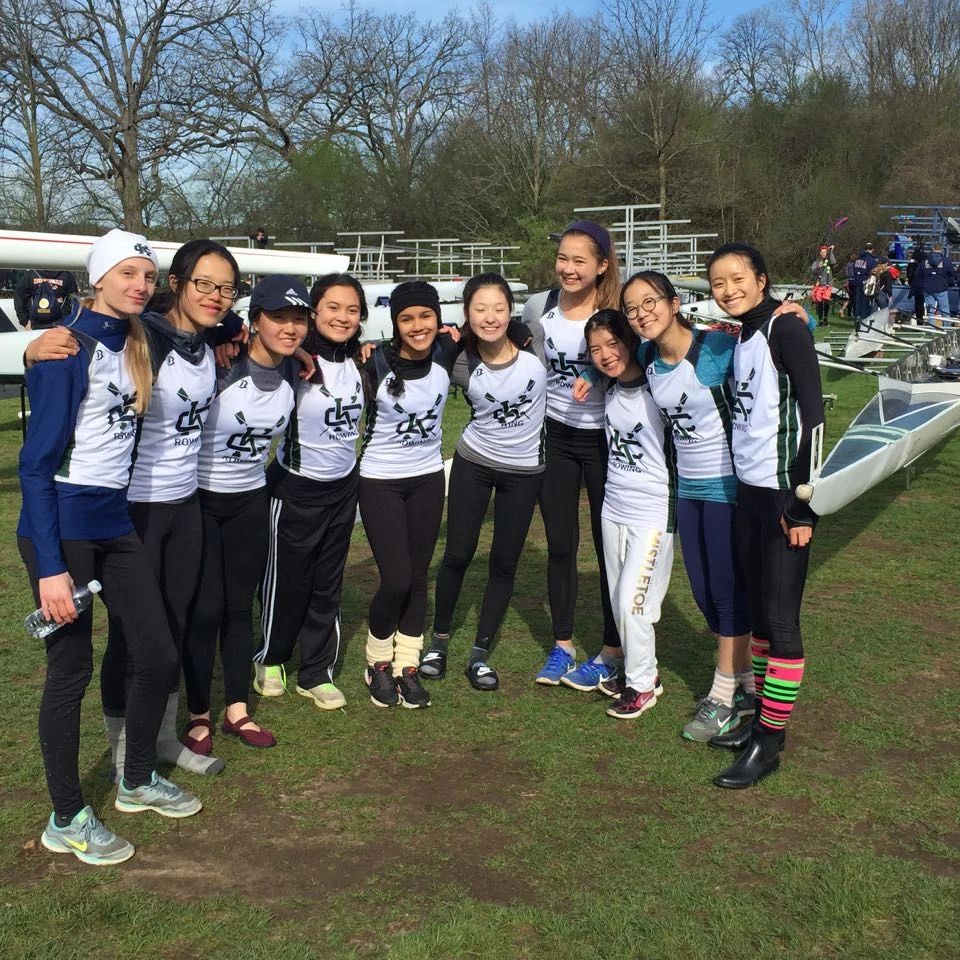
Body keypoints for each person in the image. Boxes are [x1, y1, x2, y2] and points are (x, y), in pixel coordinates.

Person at [24, 239, 242, 780]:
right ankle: (126, 754)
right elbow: (67, 354)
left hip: (180, 502)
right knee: (125, 640)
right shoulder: (146, 334)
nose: (216, 296)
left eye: (226, 287)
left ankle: (157, 741)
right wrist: (31, 350)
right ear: (179, 285)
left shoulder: (194, 336)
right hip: (131, 505)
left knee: (169, 626)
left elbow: (245, 328)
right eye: (204, 284)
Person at [18, 229, 201, 866]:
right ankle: (65, 816)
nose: (138, 285)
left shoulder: (142, 336)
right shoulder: (66, 348)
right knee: (69, 672)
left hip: (114, 525)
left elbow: (210, 319)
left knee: (156, 651)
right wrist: (49, 570)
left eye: (146, 276)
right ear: (98, 277)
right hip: (61, 529)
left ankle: (136, 777)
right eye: (126, 274)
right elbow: (35, 467)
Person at [704, 243, 823, 789]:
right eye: (717, 283)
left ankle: (770, 743)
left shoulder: (785, 328)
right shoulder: (742, 334)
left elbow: (814, 417)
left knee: (781, 621)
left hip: (783, 498)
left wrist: (802, 504)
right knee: (756, 616)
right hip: (747, 496)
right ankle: (758, 718)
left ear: (761, 279)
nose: (727, 290)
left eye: (736, 279)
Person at [181, 275, 310, 752]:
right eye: (278, 318)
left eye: (299, 319)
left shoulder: (296, 370)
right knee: (206, 609)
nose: (290, 328)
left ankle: (236, 708)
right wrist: (224, 330)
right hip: (199, 500)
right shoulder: (221, 363)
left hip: (250, 501)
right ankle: (198, 715)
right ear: (255, 320)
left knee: (239, 608)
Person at [420, 274, 547, 691]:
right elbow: (409, 358)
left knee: (504, 563)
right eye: (480, 308)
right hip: (474, 462)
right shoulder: (457, 361)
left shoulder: (536, 343)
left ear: (511, 310)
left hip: (525, 471)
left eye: (499, 308)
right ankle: (438, 642)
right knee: (457, 553)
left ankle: (479, 653)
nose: (490, 317)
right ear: (466, 314)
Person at [253, 274, 370, 711]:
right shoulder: (292, 360)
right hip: (294, 488)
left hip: (343, 489)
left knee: (327, 583)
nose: (343, 317)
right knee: (286, 581)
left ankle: (317, 671)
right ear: (313, 312)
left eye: (352, 309)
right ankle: (271, 657)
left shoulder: (363, 359)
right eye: (333, 307)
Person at [520, 220, 624, 690]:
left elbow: (650, 353)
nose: (567, 268)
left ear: (602, 265)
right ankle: (562, 646)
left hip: (606, 440)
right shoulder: (538, 307)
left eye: (580, 260)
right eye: (562, 258)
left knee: (608, 550)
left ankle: (611, 650)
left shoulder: (619, 310)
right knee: (560, 544)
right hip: (555, 438)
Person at [358, 281, 459, 709]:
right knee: (396, 578)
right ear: (395, 324)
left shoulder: (447, 351)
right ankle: (377, 661)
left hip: (427, 479)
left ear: (438, 319)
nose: (418, 326)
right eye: (407, 318)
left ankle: (407, 666)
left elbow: (501, 324)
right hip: (380, 480)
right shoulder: (374, 361)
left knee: (418, 578)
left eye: (426, 316)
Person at [583, 309, 674, 719]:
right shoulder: (609, 386)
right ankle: (639, 674)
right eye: (595, 349)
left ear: (631, 339)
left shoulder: (660, 386)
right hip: (613, 506)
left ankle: (642, 686)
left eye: (613, 343)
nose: (605, 354)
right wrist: (592, 372)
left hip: (653, 510)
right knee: (618, 599)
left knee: (633, 603)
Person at [14, 268, 79, 329]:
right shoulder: (66, 275)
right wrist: (71, 321)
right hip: (61, 323)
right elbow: (75, 301)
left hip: (35, 323)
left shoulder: (30, 274)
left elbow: (19, 298)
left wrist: (25, 321)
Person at [916, 243, 956, 325]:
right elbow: (951, 274)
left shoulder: (925, 261)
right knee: (944, 309)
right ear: (941, 250)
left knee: (931, 309)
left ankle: (931, 327)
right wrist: (950, 283)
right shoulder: (945, 261)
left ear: (933, 249)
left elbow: (918, 274)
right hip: (941, 287)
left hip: (927, 287)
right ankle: (947, 328)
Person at [851, 242, 877, 329]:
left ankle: (856, 321)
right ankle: (863, 322)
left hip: (857, 282)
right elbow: (873, 273)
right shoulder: (871, 260)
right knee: (865, 303)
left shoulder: (858, 259)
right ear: (872, 249)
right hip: (866, 283)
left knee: (858, 302)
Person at [810, 245, 835, 327]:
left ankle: (825, 318)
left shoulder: (829, 260)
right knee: (819, 303)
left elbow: (833, 262)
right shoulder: (817, 261)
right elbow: (813, 271)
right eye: (822, 252)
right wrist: (818, 267)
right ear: (820, 253)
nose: (824, 253)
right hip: (819, 285)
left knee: (827, 302)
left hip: (828, 284)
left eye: (825, 252)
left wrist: (831, 252)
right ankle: (820, 320)